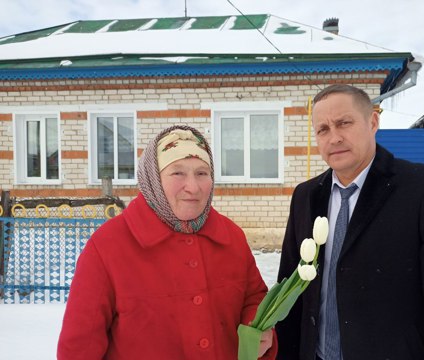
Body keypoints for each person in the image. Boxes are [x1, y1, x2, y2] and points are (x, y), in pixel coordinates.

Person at [275, 84, 424, 360]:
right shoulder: (306, 196)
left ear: (372, 122)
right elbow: (292, 288)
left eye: (344, 123)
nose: (334, 137)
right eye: (323, 129)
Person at [58, 125, 276, 359]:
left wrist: (257, 326)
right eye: (177, 173)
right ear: (153, 178)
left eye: (202, 173)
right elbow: (79, 347)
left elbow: (254, 298)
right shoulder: (108, 246)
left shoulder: (231, 236)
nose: (193, 187)